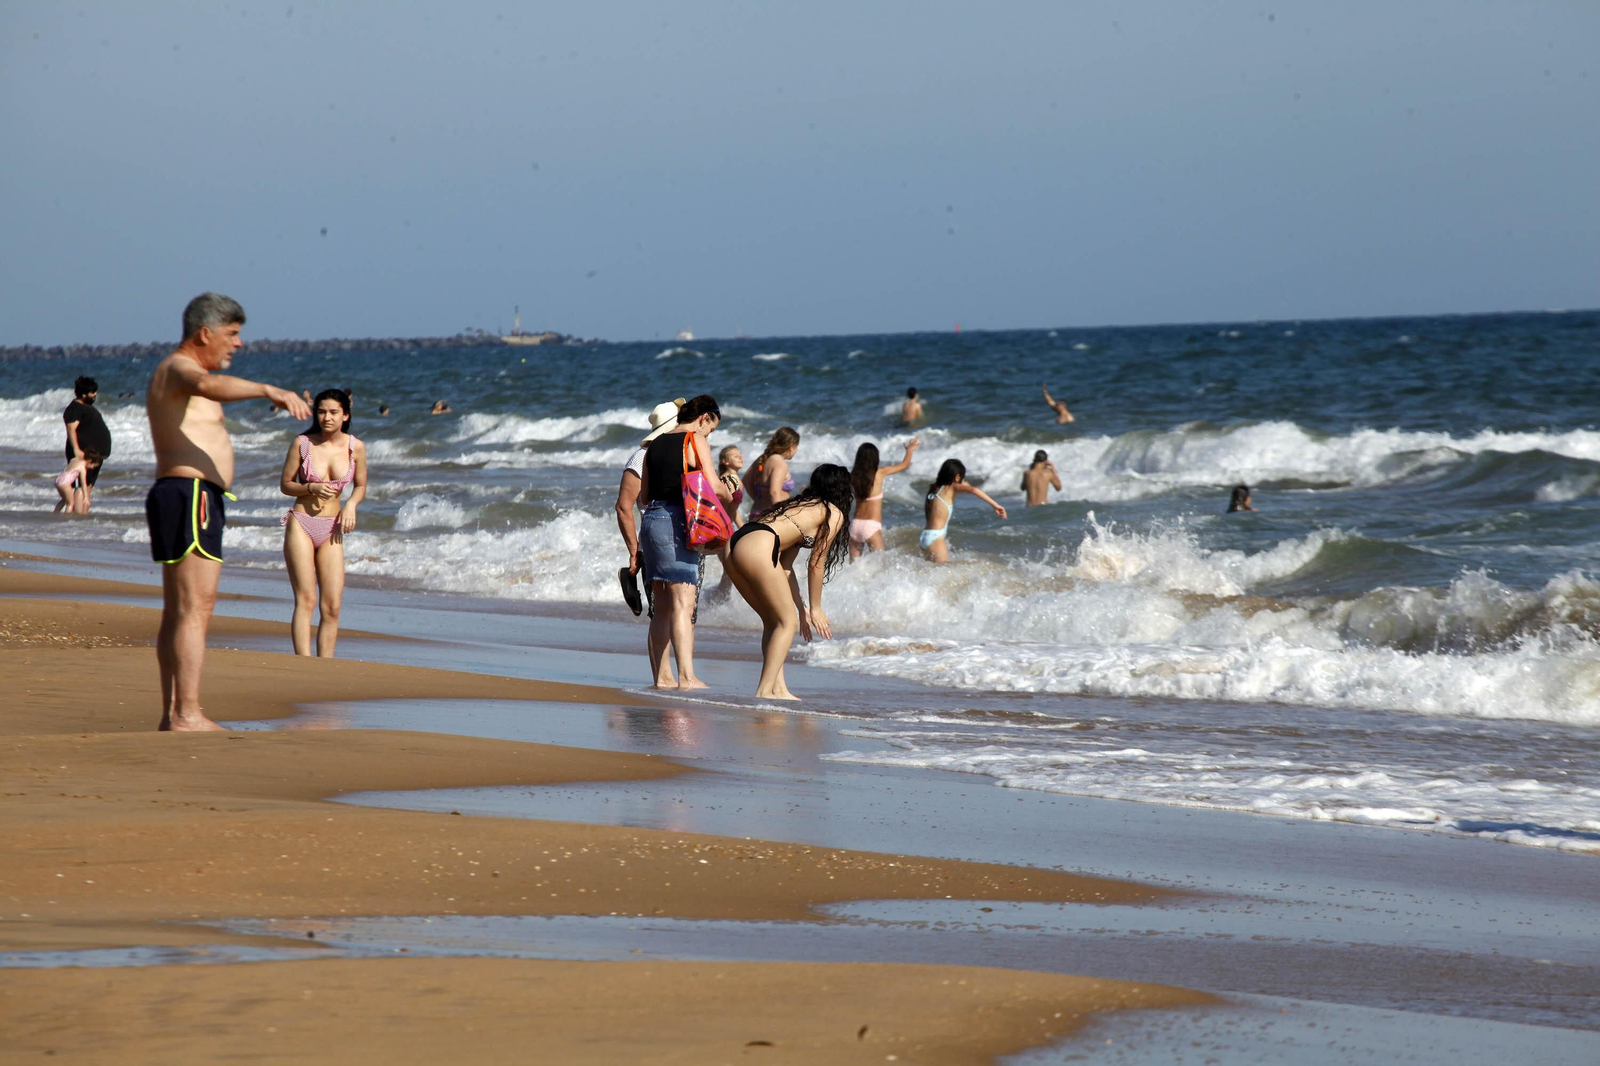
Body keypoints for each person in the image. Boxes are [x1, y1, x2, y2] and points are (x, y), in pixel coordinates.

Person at [145, 293, 310, 731]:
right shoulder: (181, 368)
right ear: (205, 333)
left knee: (179, 610)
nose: (238, 343)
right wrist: (268, 390)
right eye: (232, 334)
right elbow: (204, 384)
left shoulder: (174, 372)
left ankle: (173, 713)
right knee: (194, 609)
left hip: (182, 494)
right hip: (190, 495)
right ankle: (187, 714)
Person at [723, 464, 852, 700]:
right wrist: (816, 608)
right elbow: (816, 564)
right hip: (758, 546)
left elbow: (785, 567)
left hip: (737, 544)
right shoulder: (833, 511)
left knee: (774, 622)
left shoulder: (801, 506)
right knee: (787, 624)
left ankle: (778, 688)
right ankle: (764, 691)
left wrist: (802, 608)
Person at [638, 395, 731, 690]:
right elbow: (713, 486)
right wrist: (729, 491)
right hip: (677, 522)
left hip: (652, 521)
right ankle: (687, 678)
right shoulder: (694, 439)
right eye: (711, 428)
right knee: (683, 604)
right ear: (703, 418)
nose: (709, 435)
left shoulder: (653, 445)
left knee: (662, 607)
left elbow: (643, 497)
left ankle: (661, 678)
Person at [280, 389, 368, 657]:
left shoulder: (355, 447)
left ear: (345, 415)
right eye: (321, 412)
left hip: (332, 528)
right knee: (306, 599)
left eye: (333, 412)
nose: (326, 417)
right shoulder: (302, 443)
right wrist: (311, 487)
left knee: (332, 607)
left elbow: (361, 485)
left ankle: (325, 666)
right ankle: (303, 664)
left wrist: (351, 505)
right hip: (302, 524)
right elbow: (285, 485)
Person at [616, 397, 686, 683]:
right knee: (666, 611)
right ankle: (664, 676)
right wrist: (634, 551)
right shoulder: (642, 457)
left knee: (677, 611)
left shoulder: (682, 452)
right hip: (657, 541)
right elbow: (624, 507)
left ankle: (673, 676)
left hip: (678, 537)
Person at [920, 458, 1006, 562]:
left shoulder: (936, 489)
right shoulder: (952, 487)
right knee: (945, 569)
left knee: (931, 570)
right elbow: (973, 489)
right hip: (935, 538)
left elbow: (967, 486)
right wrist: (995, 505)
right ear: (957, 477)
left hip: (925, 537)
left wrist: (961, 480)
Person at [847, 436, 919, 557]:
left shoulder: (853, 476)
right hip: (871, 526)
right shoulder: (879, 472)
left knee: (854, 565)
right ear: (875, 458)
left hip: (855, 526)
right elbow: (905, 464)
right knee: (881, 565)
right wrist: (910, 450)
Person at [62, 376, 113, 514]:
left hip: (93, 455)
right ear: (84, 394)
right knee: (81, 486)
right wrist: (77, 450)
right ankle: (79, 518)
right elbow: (71, 429)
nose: (95, 394)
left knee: (88, 487)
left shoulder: (84, 407)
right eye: (92, 392)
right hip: (84, 453)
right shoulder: (75, 409)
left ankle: (82, 516)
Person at [707, 444, 747, 602]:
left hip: (727, 528)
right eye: (735, 455)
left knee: (731, 569)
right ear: (725, 461)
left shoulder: (735, 479)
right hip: (720, 529)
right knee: (731, 569)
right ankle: (716, 601)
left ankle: (717, 600)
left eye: (740, 454)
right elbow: (720, 506)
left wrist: (743, 528)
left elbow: (733, 510)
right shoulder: (726, 480)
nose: (740, 457)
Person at [745, 427, 799, 517]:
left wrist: (757, 500)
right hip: (770, 515)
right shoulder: (779, 462)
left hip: (757, 511)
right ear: (792, 447)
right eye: (797, 447)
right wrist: (780, 515)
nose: (797, 450)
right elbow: (774, 493)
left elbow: (746, 480)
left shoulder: (763, 458)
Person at [52, 449, 104, 515]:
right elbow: (83, 483)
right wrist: (86, 497)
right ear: (90, 461)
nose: (92, 468)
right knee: (70, 503)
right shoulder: (82, 468)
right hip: (65, 483)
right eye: (93, 466)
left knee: (64, 500)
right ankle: (67, 517)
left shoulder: (75, 460)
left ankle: (55, 513)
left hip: (58, 480)